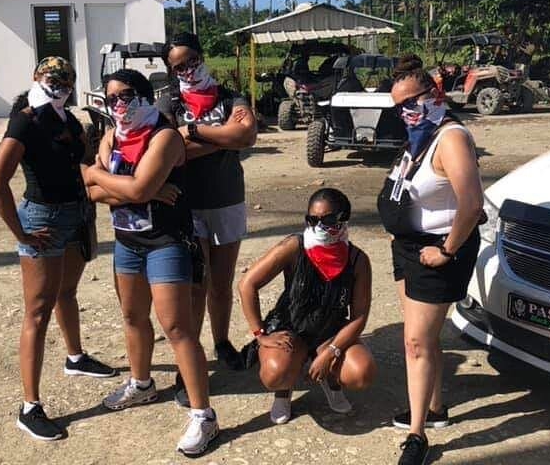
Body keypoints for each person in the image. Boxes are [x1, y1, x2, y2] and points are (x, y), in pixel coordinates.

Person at [83, 69, 218, 455]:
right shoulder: (112, 136)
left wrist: (114, 180)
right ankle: (141, 383)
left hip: (166, 242)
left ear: (145, 96)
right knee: (132, 317)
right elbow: (93, 192)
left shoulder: (164, 136)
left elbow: (121, 183)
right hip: (127, 244)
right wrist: (142, 192)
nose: (120, 105)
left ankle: (203, 415)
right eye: (112, 99)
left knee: (178, 328)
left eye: (127, 96)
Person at [0, 57, 115, 441]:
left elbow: (84, 165)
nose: (59, 84)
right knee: (38, 312)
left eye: (65, 78)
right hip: (43, 218)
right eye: (51, 78)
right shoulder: (27, 119)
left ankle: (75, 357)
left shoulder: (68, 119)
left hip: (75, 216)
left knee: (68, 293)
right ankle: (29, 407)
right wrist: (21, 233)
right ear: (36, 79)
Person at [382, 54, 483, 465]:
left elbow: (472, 202)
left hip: (437, 251)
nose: (404, 112)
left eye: (411, 102)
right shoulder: (421, 136)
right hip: (408, 248)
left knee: (415, 342)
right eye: (398, 106)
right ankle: (434, 407)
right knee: (421, 339)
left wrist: (446, 250)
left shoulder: (451, 137)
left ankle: (417, 433)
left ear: (433, 93)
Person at [159, 32, 257, 404]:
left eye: (190, 60)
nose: (186, 69)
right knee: (196, 285)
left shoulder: (229, 96)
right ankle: (191, 362)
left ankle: (221, 342)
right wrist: (224, 137)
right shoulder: (168, 101)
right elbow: (172, 150)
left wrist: (196, 131)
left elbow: (247, 135)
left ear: (201, 56)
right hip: (189, 204)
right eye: (177, 65)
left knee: (222, 282)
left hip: (227, 198)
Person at [238, 188, 376, 425]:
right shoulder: (295, 246)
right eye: (313, 220)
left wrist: (333, 350)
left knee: (361, 373)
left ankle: (330, 380)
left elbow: (359, 316)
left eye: (328, 220)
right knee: (275, 374)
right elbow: (247, 284)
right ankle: (284, 388)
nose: (319, 227)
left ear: (343, 218)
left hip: (329, 331)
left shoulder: (357, 260)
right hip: (291, 328)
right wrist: (260, 334)